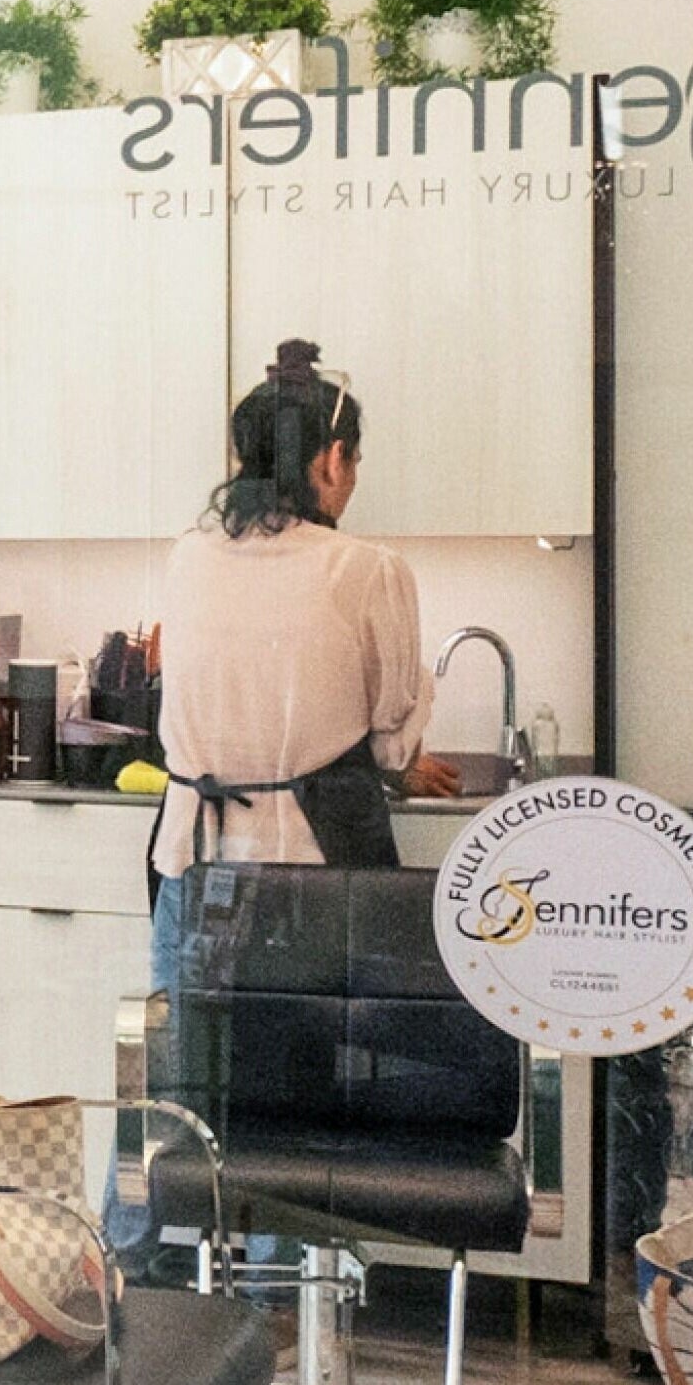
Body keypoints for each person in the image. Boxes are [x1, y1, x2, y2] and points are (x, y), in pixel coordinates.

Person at [147, 341, 460, 987]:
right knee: (312, 1071)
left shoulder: (186, 554)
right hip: (310, 870)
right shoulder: (364, 568)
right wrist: (401, 764)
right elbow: (391, 734)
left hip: (191, 859)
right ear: (332, 458)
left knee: (189, 1061)